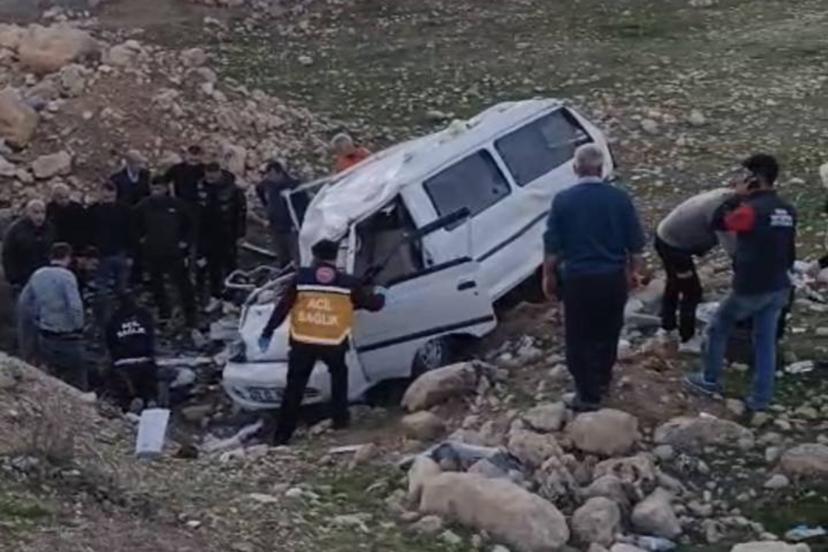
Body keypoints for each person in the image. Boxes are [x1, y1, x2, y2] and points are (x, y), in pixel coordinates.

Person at [685, 154, 796, 413]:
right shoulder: (787, 209)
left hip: (751, 287)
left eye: (744, 175)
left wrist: (736, 197)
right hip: (779, 285)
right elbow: (789, 249)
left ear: (754, 178)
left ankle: (710, 379)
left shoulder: (749, 211)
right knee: (765, 341)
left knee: (718, 327)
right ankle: (761, 398)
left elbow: (718, 222)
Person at [543, 144, 645, 412]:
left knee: (579, 337)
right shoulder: (619, 199)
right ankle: (602, 381)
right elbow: (635, 245)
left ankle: (587, 396)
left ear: (575, 168)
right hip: (613, 278)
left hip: (578, 280)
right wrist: (634, 273)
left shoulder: (563, 200)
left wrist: (548, 276)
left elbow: (552, 246)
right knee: (608, 332)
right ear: (600, 169)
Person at [258, 239, 385, 445]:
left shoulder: (301, 278)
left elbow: (283, 306)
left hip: (303, 341)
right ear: (335, 257)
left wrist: (268, 331)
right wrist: (380, 295)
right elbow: (370, 304)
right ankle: (340, 420)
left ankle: (282, 436)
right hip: (332, 341)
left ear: (314, 256)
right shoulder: (348, 283)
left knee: (294, 388)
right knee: (339, 376)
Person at [655, 186, 736, 353]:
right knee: (692, 292)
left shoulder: (724, 196)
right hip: (674, 247)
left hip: (665, 237)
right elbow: (731, 248)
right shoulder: (720, 212)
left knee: (674, 283)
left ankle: (667, 327)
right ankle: (687, 338)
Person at [18, 243, 87, 390]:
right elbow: (75, 305)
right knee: (77, 377)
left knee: (52, 378)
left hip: (46, 334)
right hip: (68, 336)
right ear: (68, 257)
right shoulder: (67, 276)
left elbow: (26, 302)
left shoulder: (38, 274)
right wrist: (80, 326)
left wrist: (36, 323)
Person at [134, 176, 197, 327]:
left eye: (159, 188)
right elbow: (134, 225)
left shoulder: (177, 205)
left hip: (174, 252)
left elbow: (191, 225)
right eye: (154, 189)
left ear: (166, 188)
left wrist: (185, 242)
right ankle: (164, 314)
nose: (156, 192)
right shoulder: (143, 206)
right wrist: (141, 240)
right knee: (157, 285)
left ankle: (191, 316)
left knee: (183, 284)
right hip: (153, 252)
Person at [196, 162, 247, 310]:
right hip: (208, 234)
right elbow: (198, 213)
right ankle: (215, 295)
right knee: (213, 267)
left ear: (219, 173)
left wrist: (240, 234)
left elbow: (241, 213)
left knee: (230, 266)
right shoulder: (201, 188)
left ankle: (230, 298)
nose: (210, 179)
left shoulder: (233, 189)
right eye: (208, 176)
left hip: (228, 234)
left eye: (213, 176)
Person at [106, 292, 164, 409]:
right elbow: (151, 338)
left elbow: (110, 344)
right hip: (145, 361)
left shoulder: (113, 319)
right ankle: (150, 400)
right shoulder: (144, 315)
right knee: (149, 388)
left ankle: (131, 402)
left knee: (123, 393)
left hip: (122, 364)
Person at [87, 183, 135, 326]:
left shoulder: (125, 210)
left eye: (110, 195)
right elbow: (88, 234)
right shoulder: (93, 211)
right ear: (100, 194)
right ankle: (105, 323)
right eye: (105, 195)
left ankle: (128, 317)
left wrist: (131, 254)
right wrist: (90, 255)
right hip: (101, 256)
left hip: (120, 254)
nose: (107, 198)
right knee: (102, 293)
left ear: (115, 194)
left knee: (122, 290)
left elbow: (131, 233)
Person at [255, 160, 301, 268]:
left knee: (295, 255)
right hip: (275, 225)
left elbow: (301, 206)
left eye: (272, 175)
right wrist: (268, 209)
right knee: (282, 255)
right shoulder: (267, 185)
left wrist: (297, 223)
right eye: (268, 175)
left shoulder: (293, 186)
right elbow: (259, 189)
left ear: (279, 173)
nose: (269, 178)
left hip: (291, 227)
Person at [2, 199, 54, 290]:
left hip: (45, 275)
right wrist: (13, 278)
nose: (40, 216)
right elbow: (8, 254)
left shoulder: (49, 228)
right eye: (36, 212)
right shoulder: (16, 230)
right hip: (23, 276)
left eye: (43, 212)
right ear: (27, 212)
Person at [45, 183, 89, 253]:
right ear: (53, 198)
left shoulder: (77, 208)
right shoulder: (49, 209)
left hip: (75, 245)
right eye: (60, 197)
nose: (64, 200)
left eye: (66, 197)